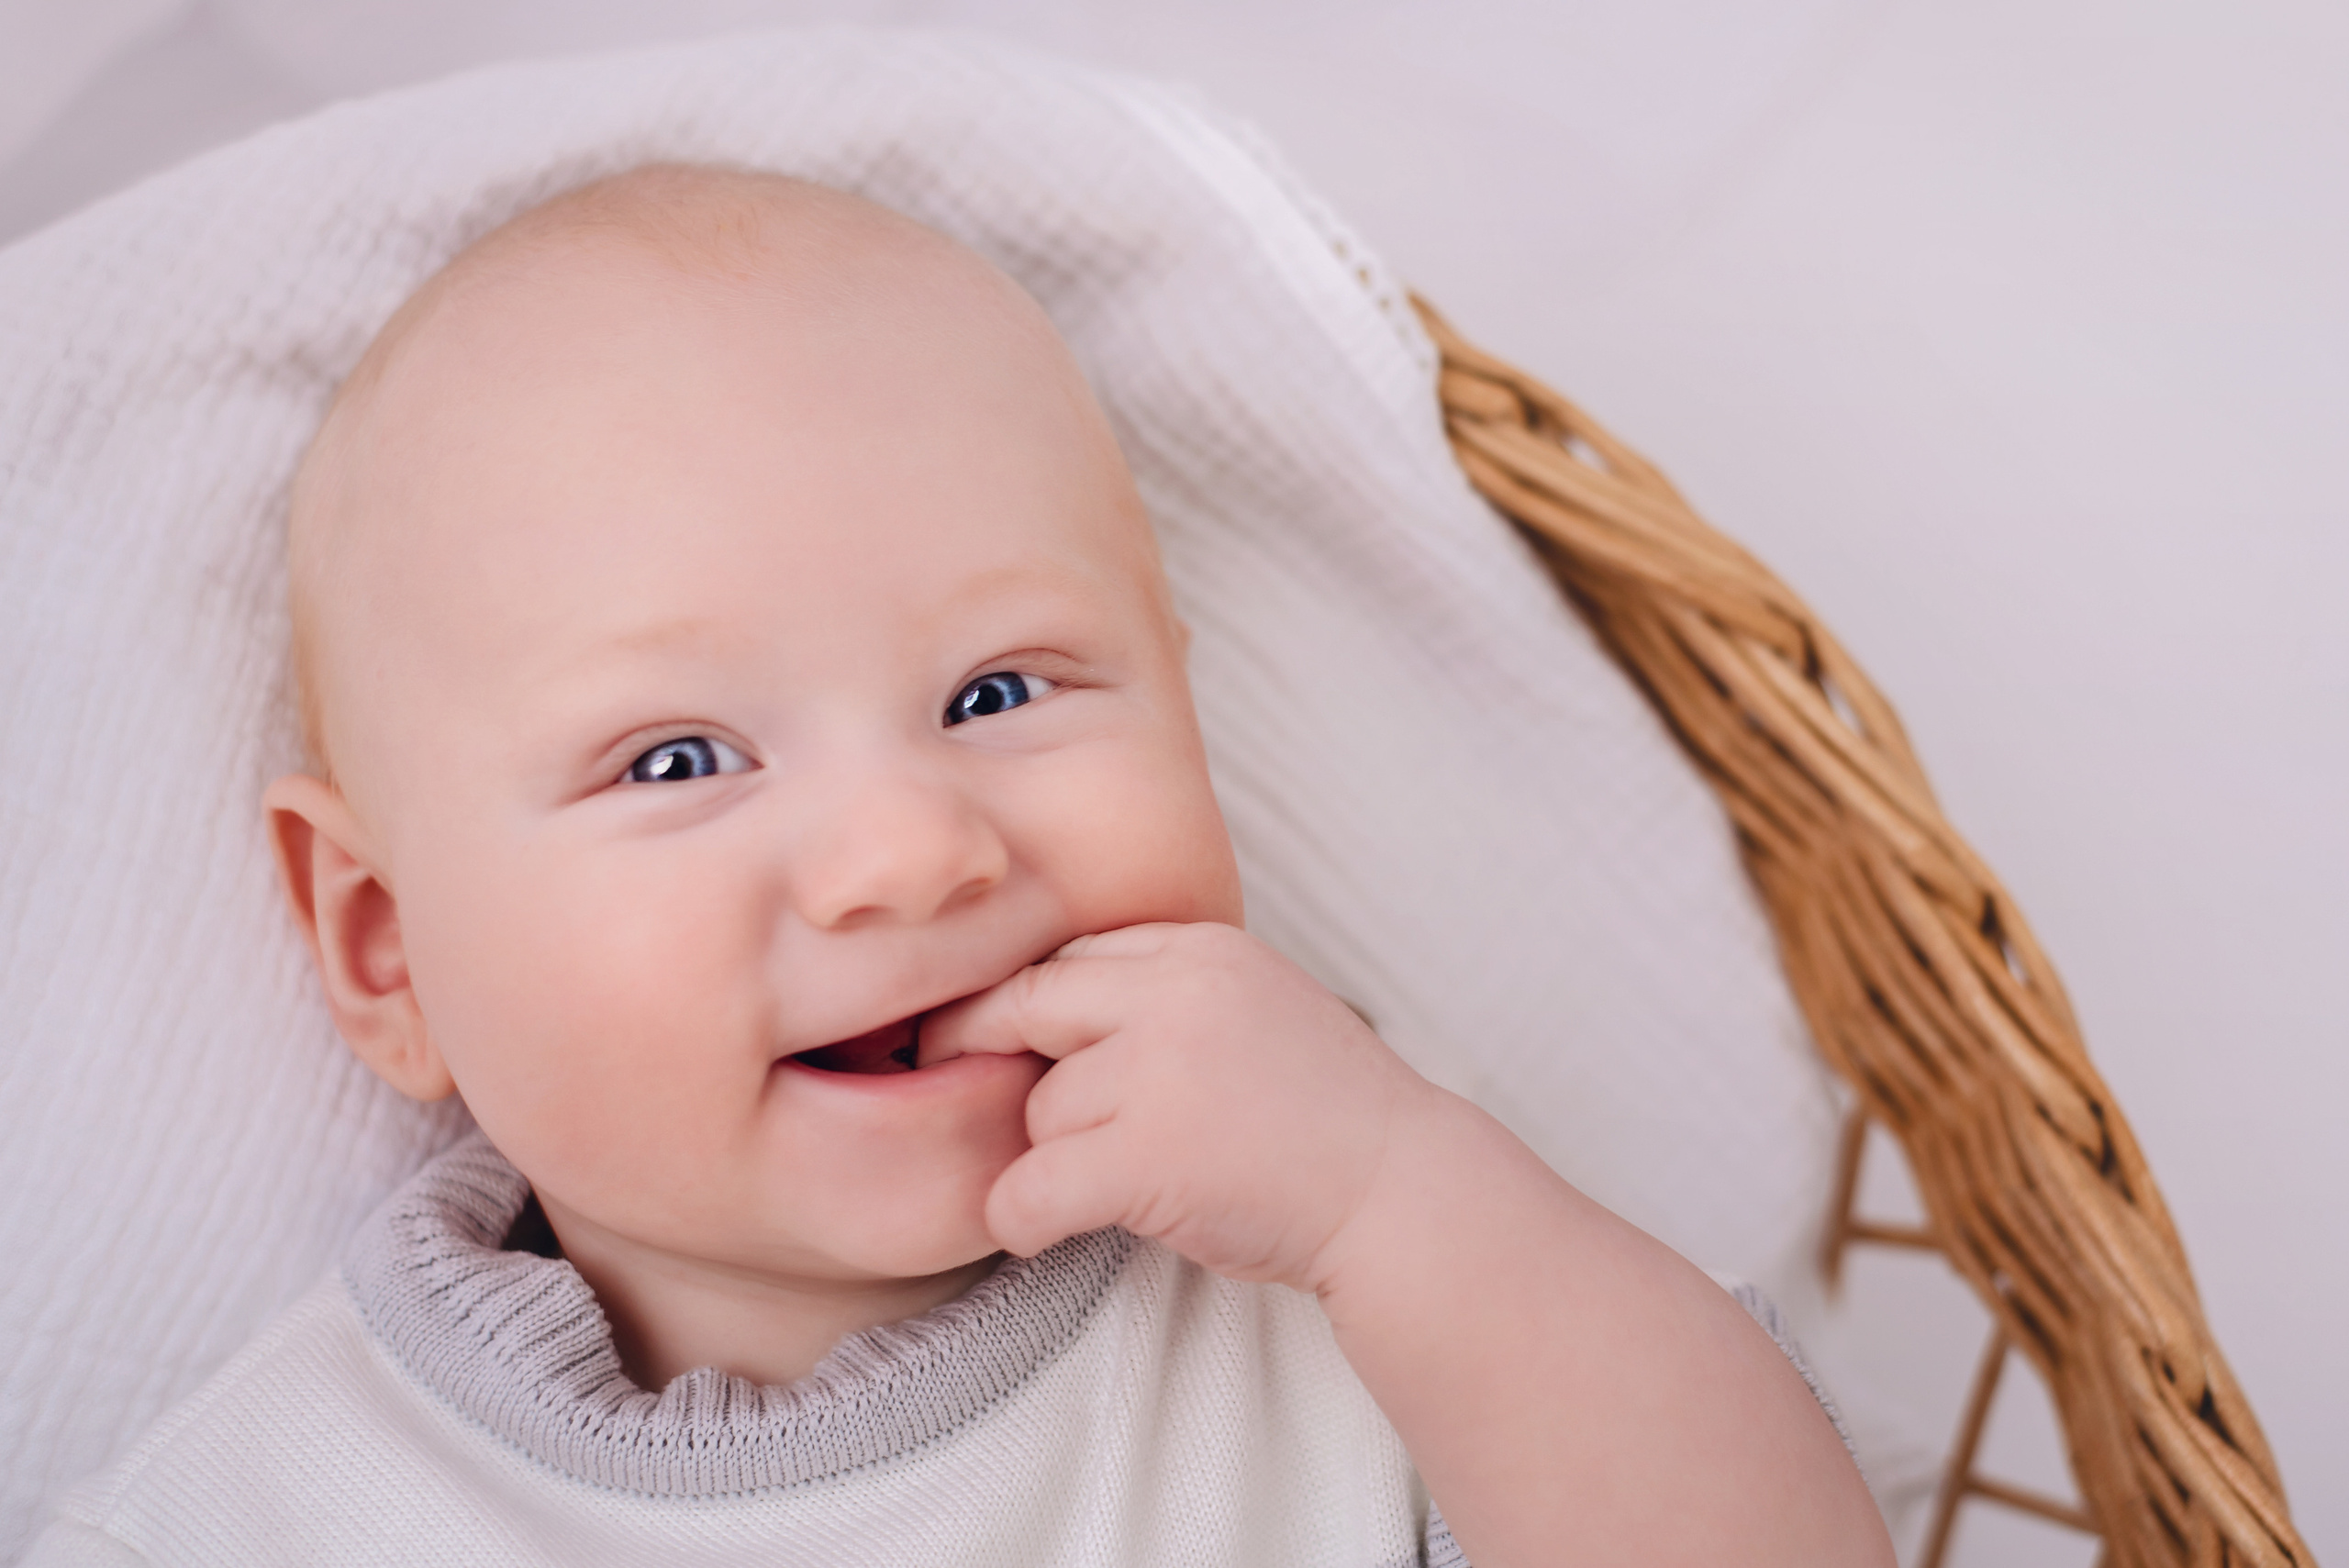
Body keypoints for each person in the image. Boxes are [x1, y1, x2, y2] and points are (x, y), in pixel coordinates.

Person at [28, 165, 1893, 1568]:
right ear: (385, 945)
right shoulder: (255, 1513)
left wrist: (1397, 1199)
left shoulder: (1362, 1264)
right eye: (678, 759)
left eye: (998, 691)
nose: (910, 852)